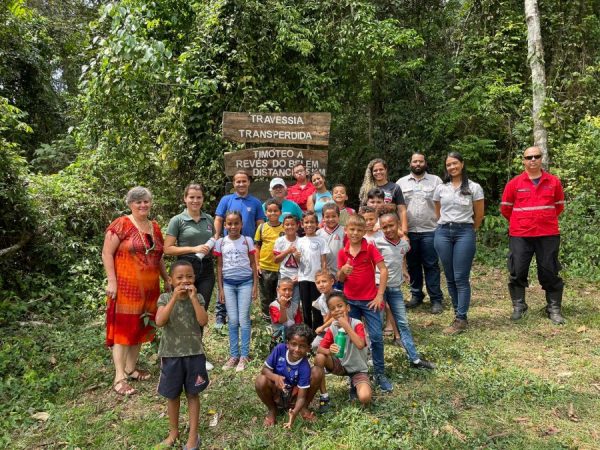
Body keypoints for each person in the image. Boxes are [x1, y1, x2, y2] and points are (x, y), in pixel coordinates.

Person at [102, 186, 169, 396]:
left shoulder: (155, 227)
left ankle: (131, 369)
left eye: (146, 201)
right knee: (123, 331)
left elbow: (159, 257)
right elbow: (106, 253)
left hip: (149, 289)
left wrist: (166, 278)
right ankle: (119, 377)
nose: (142, 205)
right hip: (126, 287)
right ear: (130, 204)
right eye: (138, 202)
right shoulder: (121, 224)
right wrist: (111, 281)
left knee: (140, 327)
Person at [500, 146, 566, 324]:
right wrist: (522, 221)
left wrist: (543, 219)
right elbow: (506, 208)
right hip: (521, 234)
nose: (533, 160)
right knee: (517, 269)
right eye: (529, 157)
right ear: (524, 160)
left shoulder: (553, 182)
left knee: (549, 270)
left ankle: (553, 308)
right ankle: (519, 306)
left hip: (548, 234)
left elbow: (559, 206)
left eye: (536, 156)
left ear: (541, 158)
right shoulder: (514, 183)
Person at [155, 260, 209, 450]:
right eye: (179, 277)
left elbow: (203, 321)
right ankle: (173, 432)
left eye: (189, 276)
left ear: (194, 278)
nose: (185, 281)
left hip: (194, 354)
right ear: (170, 280)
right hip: (171, 355)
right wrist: (173, 299)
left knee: (193, 395)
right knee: (172, 395)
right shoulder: (164, 298)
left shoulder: (199, 298)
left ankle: (193, 435)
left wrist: (194, 299)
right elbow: (160, 321)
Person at [337, 214, 392, 392]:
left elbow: (383, 270)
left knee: (376, 337)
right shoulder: (342, 252)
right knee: (353, 339)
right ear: (346, 230)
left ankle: (379, 373)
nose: (355, 233)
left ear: (364, 231)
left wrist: (379, 295)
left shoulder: (369, 248)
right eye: (352, 229)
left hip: (370, 301)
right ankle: (354, 374)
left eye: (359, 230)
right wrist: (343, 272)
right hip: (350, 302)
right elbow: (339, 278)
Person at [164, 183, 216, 370]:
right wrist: (193, 248)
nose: (195, 200)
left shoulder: (208, 218)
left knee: (200, 307)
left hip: (207, 269)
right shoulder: (177, 220)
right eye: (191, 197)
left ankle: (198, 352)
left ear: (203, 199)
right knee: (184, 310)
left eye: (199, 197)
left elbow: (213, 242)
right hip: (185, 270)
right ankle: (178, 351)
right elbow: (168, 248)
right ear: (185, 198)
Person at [433, 152, 485, 335]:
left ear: (462, 164)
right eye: (448, 165)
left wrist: (470, 230)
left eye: (455, 163)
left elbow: (479, 215)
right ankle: (457, 313)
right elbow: (438, 212)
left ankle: (461, 317)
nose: (452, 167)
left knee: (461, 277)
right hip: (443, 232)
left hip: (465, 232)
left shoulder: (474, 187)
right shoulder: (441, 188)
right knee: (449, 276)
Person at [375, 213, 435, 370]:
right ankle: (372, 361)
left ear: (398, 226)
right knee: (375, 325)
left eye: (391, 225)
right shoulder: (376, 243)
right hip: (377, 289)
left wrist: (404, 270)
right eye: (384, 227)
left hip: (395, 288)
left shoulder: (404, 245)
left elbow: (401, 257)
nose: (388, 229)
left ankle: (414, 359)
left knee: (403, 323)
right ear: (380, 228)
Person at [214, 170, 266, 328]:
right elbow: (219, 218)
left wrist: (261, 242)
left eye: (244, 181)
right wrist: (217, 236)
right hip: (228, 244)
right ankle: (220, 315)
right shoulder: (226, 199)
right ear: (234, 183)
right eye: (238, 181)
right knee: (225, 274)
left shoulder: (255, 202)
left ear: (249, 182)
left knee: (246, 278)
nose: (241, 184)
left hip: (247, 246)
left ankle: (243, 314)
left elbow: (260, 224)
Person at [397, 153, 444, 314]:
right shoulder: (401, 183)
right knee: (413, 265)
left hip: (431, 230)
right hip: (409, 232)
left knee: (431, 265)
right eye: (415, 161)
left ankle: (436, 299)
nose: (418, 163)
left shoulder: (436, 181)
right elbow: (398, 209)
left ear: (425, 163)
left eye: (420, 161)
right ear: (410, 163)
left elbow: (442, 204)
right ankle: (416, 295)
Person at [214, 211, 258, 372]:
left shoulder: (247, 241)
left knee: (243, 319)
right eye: (229, 223)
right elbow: (219, 266)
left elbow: (253, 264)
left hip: (245, 283)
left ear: (241, 224)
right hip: (228, 285)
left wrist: (255, 286)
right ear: (225, 225)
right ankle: (234, 355)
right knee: (232, 320)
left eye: (236, 223)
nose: (233, 226)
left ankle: (244, 355)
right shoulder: (221, 242)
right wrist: (221, 289)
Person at [255, 324, 323, 428]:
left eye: (302, 346)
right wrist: (275, 377)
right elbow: (264, 370)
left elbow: (301, 397)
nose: (297, 349)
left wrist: (294, 412)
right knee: (261, 380)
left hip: (293, 396)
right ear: (287, 344)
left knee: (317, 371)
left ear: (308, 348)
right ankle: (273, 410)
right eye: (293, 344)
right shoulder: (279, 349)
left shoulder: (304, 367)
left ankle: (302, 409)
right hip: (276, 392)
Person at [313, 291, 372, 406]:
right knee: (320, 357)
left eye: (340, 306)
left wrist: (346, 325)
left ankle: (355, 384)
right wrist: (329, 351)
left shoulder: (357, 324)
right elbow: (320, 349)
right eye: (333, 308)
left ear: (348, 308)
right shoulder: (332, 327)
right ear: (331, 313)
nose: (337, 310)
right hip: (341, 365)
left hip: (358, 368)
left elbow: (360, 344)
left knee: (365, 398)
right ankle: (324, 397)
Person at [296, 211, 329, 330]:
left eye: (312, 222)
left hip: (317, 280)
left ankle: (318, 331)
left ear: (317, 223)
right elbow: (298, 262)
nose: (309, 225)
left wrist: (324, 277)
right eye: (306, 222)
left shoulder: (321, 241)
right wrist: (296, 257)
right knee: (305, 307)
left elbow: (323, 261)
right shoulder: (299, 241)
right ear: (302, 224)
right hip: (304, 278)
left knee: (318, 306)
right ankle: (307, 330)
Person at [358, 158, 408, 236]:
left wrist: (404, 230)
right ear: (371, 173)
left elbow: (402, 210)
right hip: (371, 228)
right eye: (375, 170)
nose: (378, 172)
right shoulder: (367, 189)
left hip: (390, 226)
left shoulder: (395, 187)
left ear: (386, 170)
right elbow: (362, 210)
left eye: (381, 169)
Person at [255, 198, 284, 322]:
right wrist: (257, 265)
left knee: (280, 295)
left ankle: (278, 319)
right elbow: (257, 247)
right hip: (265, 267)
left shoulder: (284, 228)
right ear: (266, 213)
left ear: (280, 213)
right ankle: (266, 319)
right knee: (266, 295)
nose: (272, 213)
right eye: (270, 211)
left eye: (275, 211)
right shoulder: (261, 227)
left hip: (281, 268)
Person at [273, 215, 301, 314]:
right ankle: (282, 327)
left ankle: (293, 326)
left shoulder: (301, 241)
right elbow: (276, 260)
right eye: (287, 224)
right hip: (284, 277)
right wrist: (288, 251)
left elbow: (305, 263)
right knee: (282, 303)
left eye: (292, 224)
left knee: (295, 305)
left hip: (297, 279)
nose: (290, 227)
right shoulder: (279, 241)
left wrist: (299, 276)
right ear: (283, 226)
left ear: (298, 226)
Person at [316, 203, 346, 281]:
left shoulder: (344, 231)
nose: (331, 219)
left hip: (340, 273)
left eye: (333, 216)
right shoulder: (318, 233)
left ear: (338, 217)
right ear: (323, 218)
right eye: (327, 217)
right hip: (324, 274)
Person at [269, 277, 303, 346]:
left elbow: (298, 324)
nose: (287, 292)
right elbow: (282, 321)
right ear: (278, 290)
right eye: (284, 289)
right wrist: (282, 306)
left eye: (290, 290)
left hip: (293, 333)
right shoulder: (273, 306)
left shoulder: (295, 306)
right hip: (279, 334)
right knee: (284, 328)